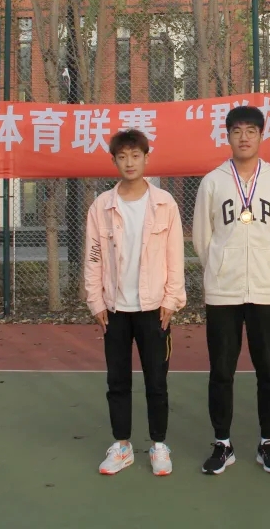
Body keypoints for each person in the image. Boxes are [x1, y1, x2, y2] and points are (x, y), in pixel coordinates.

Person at [193, 105, 270, 474]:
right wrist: (221, 267)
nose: (244, 137)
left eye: (251, 130)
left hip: (265, 291)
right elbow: (202, 238)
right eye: (237, 130)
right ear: (228, 136)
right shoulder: (213, 181)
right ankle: (223, 443)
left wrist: (266, 267)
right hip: (223, 291)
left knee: (269, 370)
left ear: (261, 135)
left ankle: (268, 442)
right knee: (222, 370)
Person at [84, 129, 186, 477]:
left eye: (136, 156)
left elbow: (175, 255)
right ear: (114, 161)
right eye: (122, 156)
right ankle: (122, 445)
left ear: (146, 158)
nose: (129, 162)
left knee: (156, 382)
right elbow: (93, 256)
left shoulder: (165, 203)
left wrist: (171, 299)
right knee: (117, 382)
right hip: (114, 310)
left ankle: (159, 445)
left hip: (154, 308)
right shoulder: (101, 206)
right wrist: (95, 301)